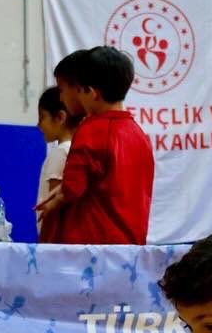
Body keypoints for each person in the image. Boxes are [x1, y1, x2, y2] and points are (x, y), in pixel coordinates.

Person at [35, 47, 154, 245]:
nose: (63, 97)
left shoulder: (91, 130)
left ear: (91, 92)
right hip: (130, 245)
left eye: (76, 90)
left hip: (92, 247)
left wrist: (56, 201)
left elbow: (74, 187)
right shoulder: (139, 134)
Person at [33, 86, 78, 240]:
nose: (38, 125)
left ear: (60, 117)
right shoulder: (75, 150)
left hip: (52, 242)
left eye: (42, 117)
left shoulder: (61, 152)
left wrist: (46, 243)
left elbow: (54, 208)